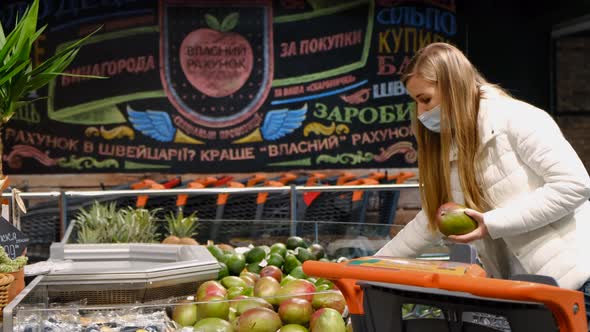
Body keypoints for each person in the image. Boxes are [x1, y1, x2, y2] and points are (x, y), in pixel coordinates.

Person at [375, 42, 590, 328]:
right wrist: (369, 265)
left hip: (578, 280)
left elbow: (574, 184)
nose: (420, 111)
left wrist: (492, 222)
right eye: (416, 101)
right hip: (530, 291)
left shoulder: (519, 119)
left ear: (453, 87)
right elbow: (430, 219)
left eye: (425, 99)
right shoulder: (453, 145)